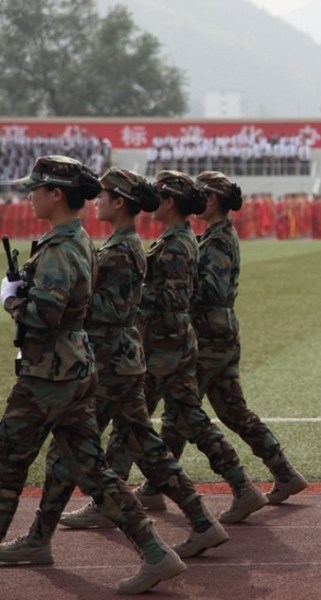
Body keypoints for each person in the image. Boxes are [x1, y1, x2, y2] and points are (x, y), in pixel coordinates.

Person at [0, 156, 185, 593]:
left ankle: (153, 553)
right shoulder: (77, 239)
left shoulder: (61, 247)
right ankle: (157, 552)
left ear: (56, 194)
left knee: (7, 461)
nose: (29, 196)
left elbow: (44, 317)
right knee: (93, 469)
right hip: (76, 367)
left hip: (50, 375)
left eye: (36, 189)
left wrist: (11, 300)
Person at [31, 168, 228, 561]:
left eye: (103, 196)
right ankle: (203, 522)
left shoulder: (122, 250)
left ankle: (39, 537)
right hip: (125, 358)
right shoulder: (121, 244)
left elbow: (117, 308)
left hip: (111, 361)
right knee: (146, 446)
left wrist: (71, 303)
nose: (96, 201)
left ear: (119, 202)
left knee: (69, 450)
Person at [139, 171, 308, 508]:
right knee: (232, 411)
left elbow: (212, 290)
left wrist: (180, 286)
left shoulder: (217, 241)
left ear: (212, 200)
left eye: (203, 197)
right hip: (220, 333)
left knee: (179, 412)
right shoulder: (215, 237)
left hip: (210, 337)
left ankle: (155, 487)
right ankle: (285, 473)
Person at [107, 170, 267, 524]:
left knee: (130, 420)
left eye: (158, 199)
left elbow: (178, 298)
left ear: (169, 203)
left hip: (166, 344)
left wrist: (135, 293)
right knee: (190, 419)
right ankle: (241, 486)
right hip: (178, 342)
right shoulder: (179, 239)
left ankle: (111, 498)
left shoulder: (178, 243)